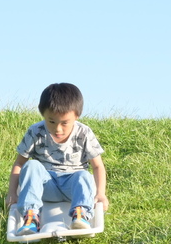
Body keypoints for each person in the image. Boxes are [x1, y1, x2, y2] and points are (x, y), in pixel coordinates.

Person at [6, 83, 109, 235]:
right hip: (46, 185)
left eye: (64, 123)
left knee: (84, 175)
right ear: (43, 114)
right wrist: (12, 193)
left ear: (76, 115)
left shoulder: (84, 133)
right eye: (51, 121)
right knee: (32, 165)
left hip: (72, 186)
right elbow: (19, 164)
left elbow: (98, 166)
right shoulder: (36, 131)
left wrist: (101, 193)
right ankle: (31, 217)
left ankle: (80, 215)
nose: (58, 128)